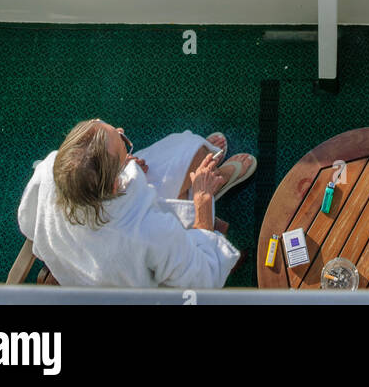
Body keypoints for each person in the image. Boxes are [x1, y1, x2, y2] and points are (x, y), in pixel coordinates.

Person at [18, 118, 257, 288]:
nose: (121, 130)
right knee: (189, 149)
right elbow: (203, 279)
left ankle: (208, 177)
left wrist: (122, 168)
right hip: (151, 286)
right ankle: (212, 185)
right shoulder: (148, 231)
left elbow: (28, 225)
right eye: (122, 140)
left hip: (86, 276)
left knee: (188, 152)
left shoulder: (51, 169)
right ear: (113, 185)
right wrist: (202, 202)